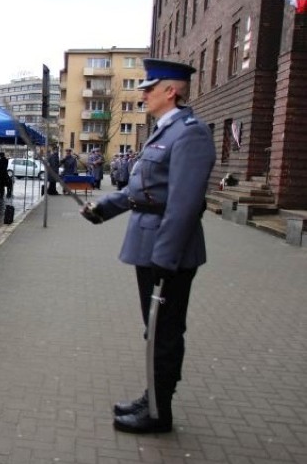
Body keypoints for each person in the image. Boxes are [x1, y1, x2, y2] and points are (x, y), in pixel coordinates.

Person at [80, 58, 215, 434]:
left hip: (167, 250)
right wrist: (102, 208)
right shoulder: (162, 131)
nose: (143, 94)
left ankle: (159, 411)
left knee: (164, 329)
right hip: (149, 243)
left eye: (149, 88)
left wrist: (165, 257)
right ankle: (153, 395)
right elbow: (141, 190)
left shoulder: (190, 133)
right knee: (152, 328)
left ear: (170, 91)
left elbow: (184, 204)